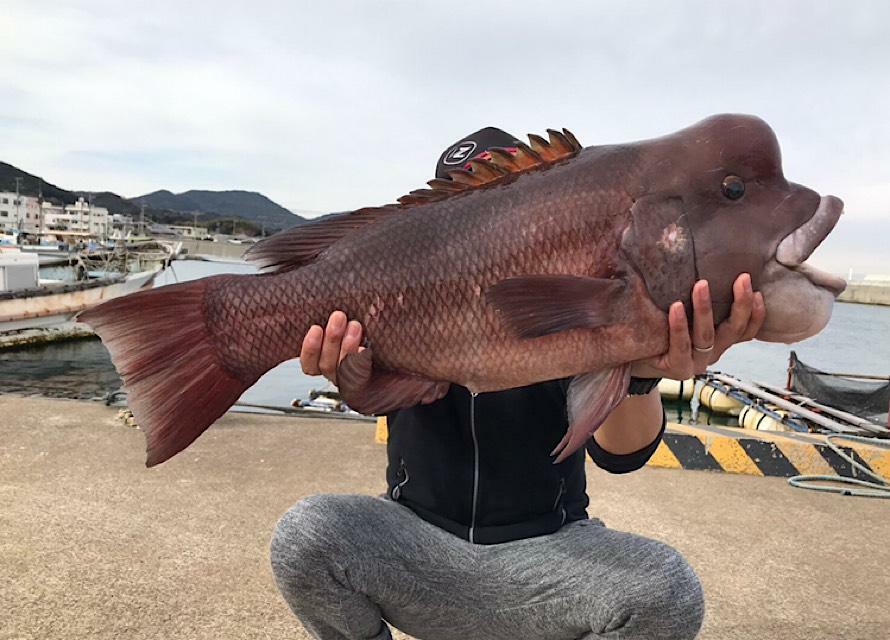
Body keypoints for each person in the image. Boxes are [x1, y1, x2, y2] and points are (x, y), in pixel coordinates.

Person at [270, 128, 766, 640]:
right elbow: (372, 398)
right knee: (308, 536)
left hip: (546, 564)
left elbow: (623, 454)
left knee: (667, 592)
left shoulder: (585, 291)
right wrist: (349, 371)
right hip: (417, 553)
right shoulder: (400, 282)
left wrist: (643, 372)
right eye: (455, 200)